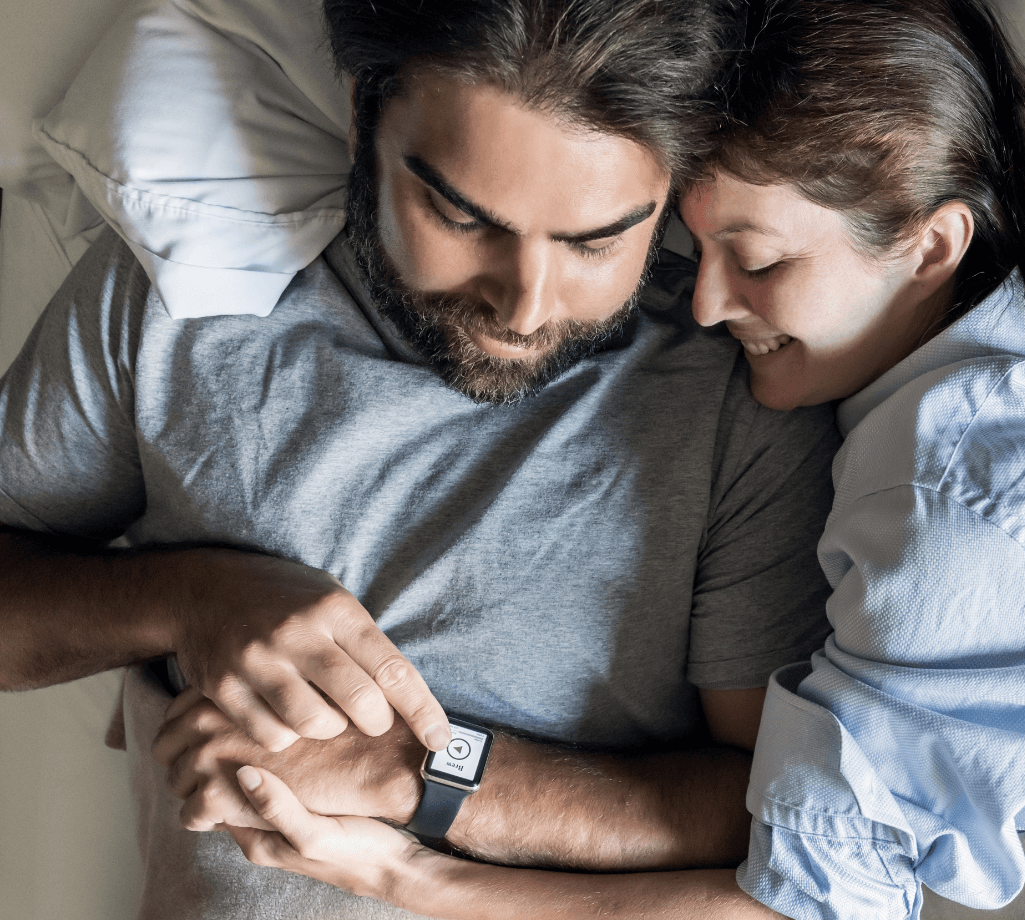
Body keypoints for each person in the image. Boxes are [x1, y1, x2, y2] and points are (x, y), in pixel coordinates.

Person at [210, 0, 1025, 917]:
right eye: (696, 246)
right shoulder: (1024, 383)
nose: (710, 303)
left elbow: (800, 905)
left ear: (930, 244)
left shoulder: (952, 493)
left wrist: (412, 869)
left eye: (759, 261)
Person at [0, 1, 842, 917]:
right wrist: (188, 599)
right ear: (367, 115)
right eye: (461, 214)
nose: (525, 308)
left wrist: (417, 774)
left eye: (595, 241)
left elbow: (781, 817)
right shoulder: (184, 300)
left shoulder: (742, 391)